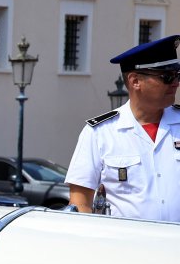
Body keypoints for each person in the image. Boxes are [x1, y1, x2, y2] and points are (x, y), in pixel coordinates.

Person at [65, 35, 180, 220]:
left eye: (178, 75)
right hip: (126, 245)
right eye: (167, 77)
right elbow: (80, 202)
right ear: (135, 81)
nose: (176, 83)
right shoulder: (100, 133)